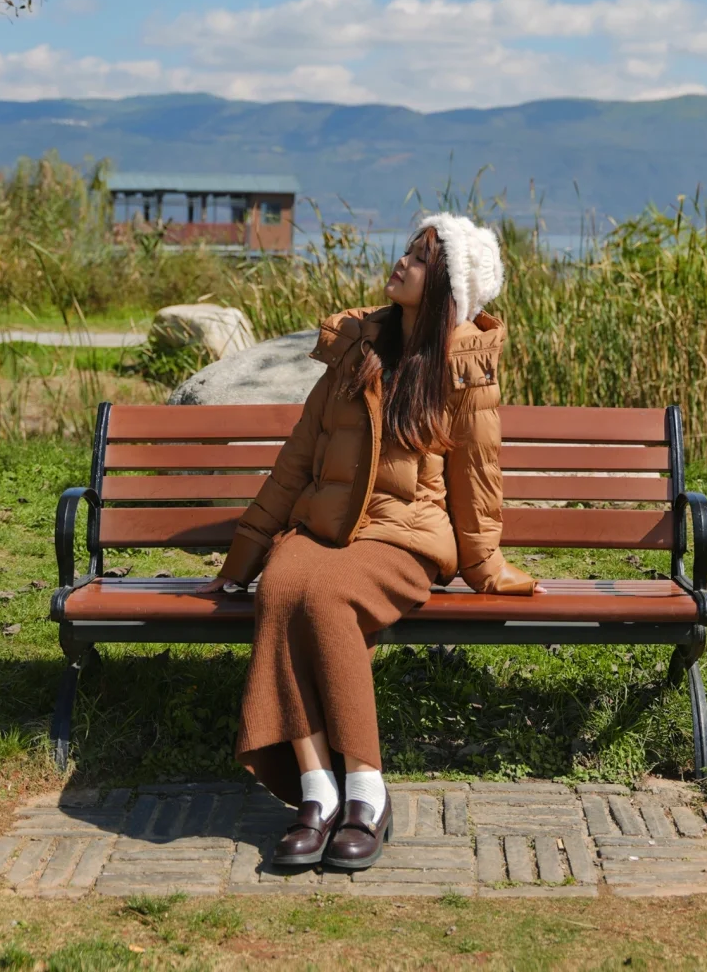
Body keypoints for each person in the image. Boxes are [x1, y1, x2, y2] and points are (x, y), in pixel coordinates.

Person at [202, 212, 538, 871]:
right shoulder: (357, 347)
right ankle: (317, 792)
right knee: (281, 586)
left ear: (447, 284)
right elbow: (297, 457)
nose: (404, 261)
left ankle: (366, 790)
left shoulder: (463, 366)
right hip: (324, 528)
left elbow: (478, 478)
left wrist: (489, 569)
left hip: (405, 542)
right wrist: (243, 555)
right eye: (409, 248)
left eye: (422, 256)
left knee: (324, 597)